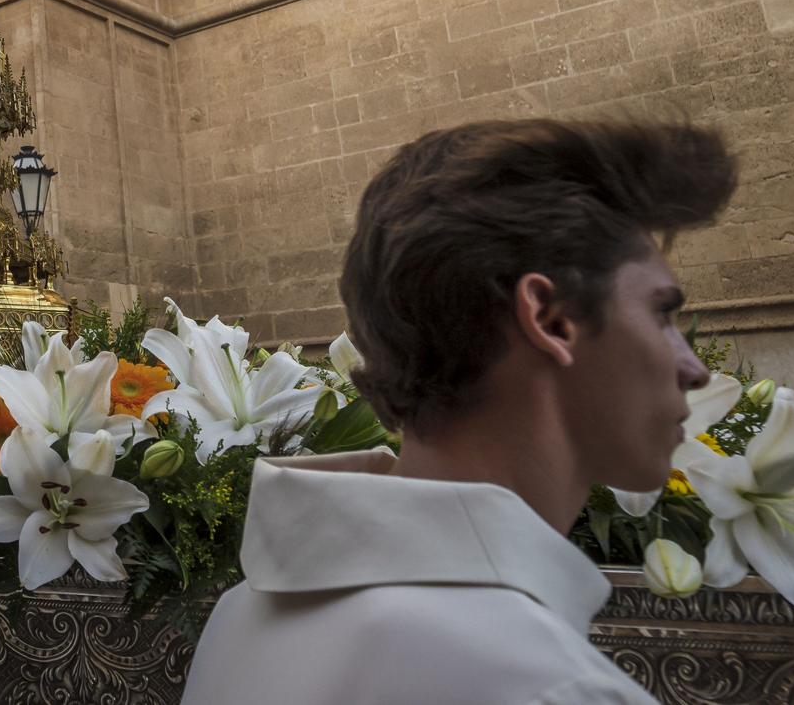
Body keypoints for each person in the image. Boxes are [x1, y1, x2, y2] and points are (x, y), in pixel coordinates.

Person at [182, 118, 738, 705]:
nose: (694, 368)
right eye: (662, 313)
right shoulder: (549, 687)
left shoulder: (236, 619)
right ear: (551, 320)